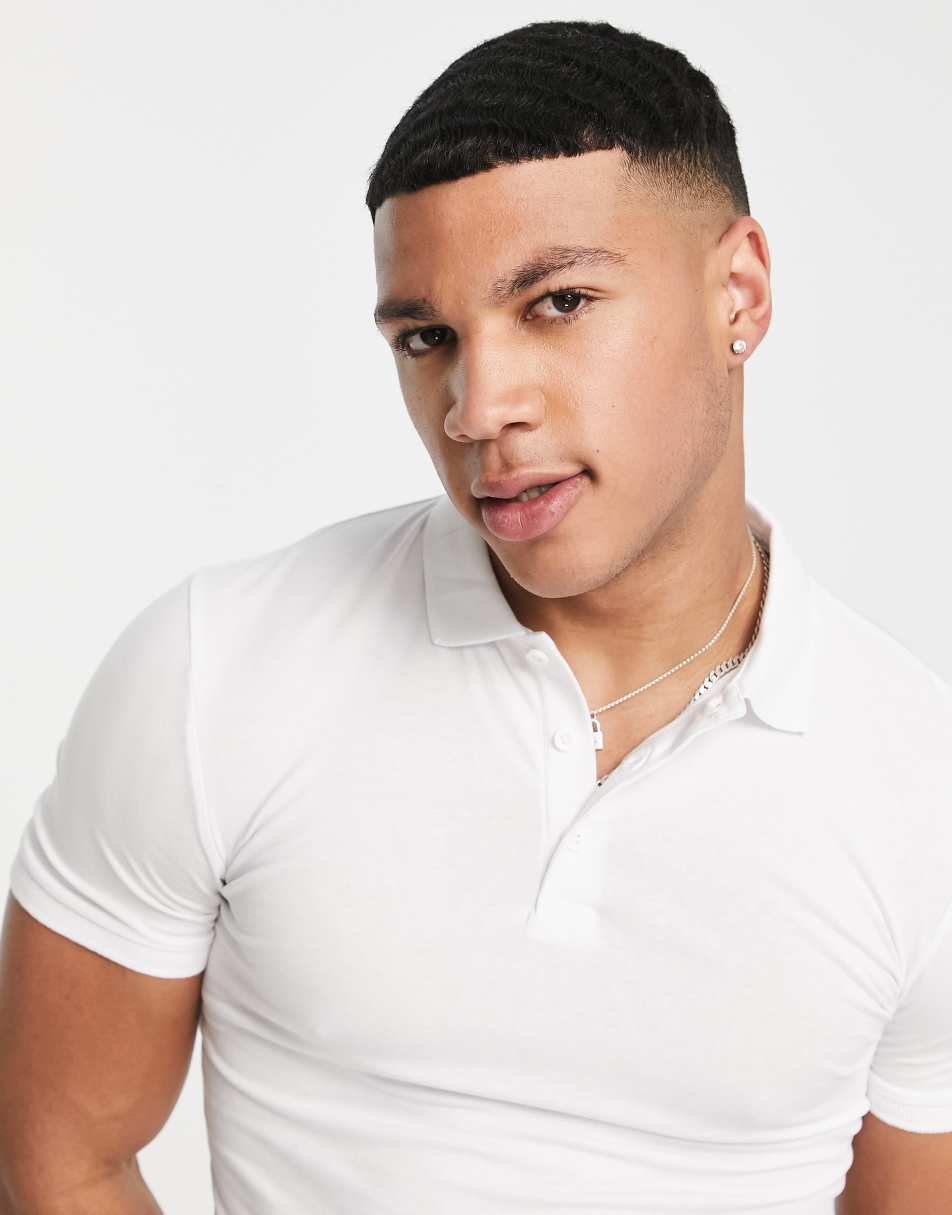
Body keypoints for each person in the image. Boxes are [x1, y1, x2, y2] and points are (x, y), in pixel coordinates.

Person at [1, 18, 950, 1215]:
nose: (474, 406)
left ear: (738, 293)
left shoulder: (920, 788)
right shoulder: (217, 669)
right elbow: (58, 1156)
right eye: (427, 338)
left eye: (557, 302)